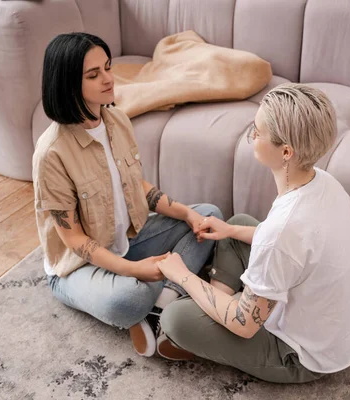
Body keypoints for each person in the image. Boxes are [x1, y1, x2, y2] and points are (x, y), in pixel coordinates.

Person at [155, 83, 350, 383]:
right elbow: (291, 246)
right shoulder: (326, 183)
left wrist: (181, 275)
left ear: (286, 151)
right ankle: (218, 302)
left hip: (301, 356)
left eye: (257, 131)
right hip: (326, 328)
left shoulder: (283, 230)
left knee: (174, 318)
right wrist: (229, 229)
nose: (251, 136)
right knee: (237, 225)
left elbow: (245, 325)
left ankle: (210, 306)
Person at [32, 32, 222, 358]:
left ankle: (162, 302)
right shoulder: (52, 153)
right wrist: (133, 270)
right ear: (67, 84)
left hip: (129, 241)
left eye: (108, 67)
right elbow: (75, 241)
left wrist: (188, 214)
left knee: (210, 216)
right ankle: (149, 301)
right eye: (94, 75)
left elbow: (137, 186)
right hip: (78, 267)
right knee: (127, 300)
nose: (109, 78)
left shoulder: (117, 120)